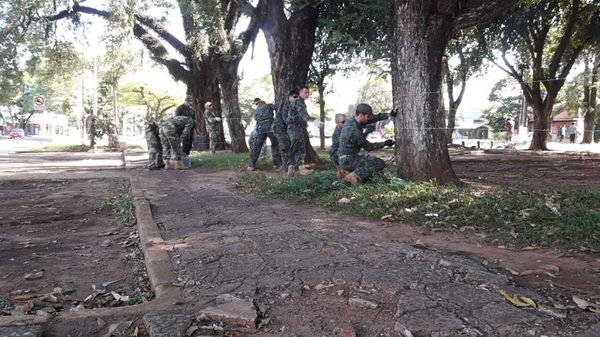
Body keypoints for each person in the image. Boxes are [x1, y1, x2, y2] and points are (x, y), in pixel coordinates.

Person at [338, 103, 395, 185]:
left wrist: (389, 114)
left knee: (368, 163)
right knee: (379, 163)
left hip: (345, 157)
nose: (369, 119)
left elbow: (373, 118)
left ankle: (346, 172)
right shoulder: (354, 130)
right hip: (348, 159)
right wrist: (385, 143)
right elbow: (368, 147)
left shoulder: (352, 120)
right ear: (361, 115)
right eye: (367, 117)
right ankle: (353, 176)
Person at [330, 109, 396, 170]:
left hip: (350, 155)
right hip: (339, 157)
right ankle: (352, 175)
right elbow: (364, 144)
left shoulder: (350, 123)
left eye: (346, 120)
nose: (345, 123)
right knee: (377, 164)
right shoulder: (340, 133)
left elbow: (369, 119)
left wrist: (388, 115)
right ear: (337, 123)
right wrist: (384, 143)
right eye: (343, 122)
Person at [248, 98, 281, 171]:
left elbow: (256, 120)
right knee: (275, 144)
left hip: (260, 129)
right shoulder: (269, 106)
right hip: (270, 127)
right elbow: (278, 108)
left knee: (256, 147)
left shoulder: (256, 111)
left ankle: (251, 165)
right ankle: (276, 164)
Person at [286, 86, 311, 176]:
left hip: (297, 127)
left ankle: (293, 167)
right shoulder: (298, 101)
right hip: (294, 128)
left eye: (308, 92)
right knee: (297, 147)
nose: (307, 94)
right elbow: (303, 114)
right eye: (305, 92)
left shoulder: (299, 101)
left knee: (298, 147)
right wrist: (311, 120)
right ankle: (298, 167)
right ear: (300, 93)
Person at [273, 90, 297, 172]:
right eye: (294, 97)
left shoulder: (293, 105)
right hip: (279, 129)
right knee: (284, 147)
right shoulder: (287, 104)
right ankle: (285, 167)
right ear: (290, 97)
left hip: (283, 129)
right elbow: (285, 119)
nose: (296, 99)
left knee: (286, 146)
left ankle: (286, 166)